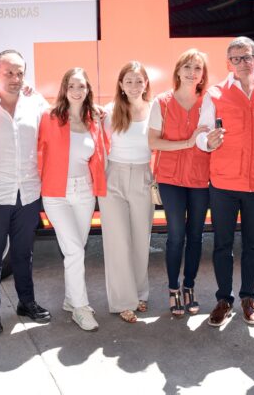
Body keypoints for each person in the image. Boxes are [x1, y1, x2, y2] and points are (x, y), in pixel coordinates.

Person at [196, 37, 254, 327]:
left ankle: (248, 298)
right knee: (222, 244)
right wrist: (206, 141)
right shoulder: (215, 93)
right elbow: (201, 132)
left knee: (253, 245)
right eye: (235, 58)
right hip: (224, 182)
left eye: (247, 57)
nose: (242, 63)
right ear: (228, 64)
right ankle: (223, 299)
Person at [0, 50, 51, 335]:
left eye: (20, 73)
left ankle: (26, 302)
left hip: (29, 194)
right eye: (8, 72)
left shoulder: (35, 103)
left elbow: (62, 118)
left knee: (24, 254)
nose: (15, 78)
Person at [38, 67, 108, 332]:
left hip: (84, 192)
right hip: (56, 193)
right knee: (75, 250)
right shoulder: (49, 117)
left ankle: (70, 299)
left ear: (88, 89)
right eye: (72, 86)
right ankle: (81, 307)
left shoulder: (94, 118)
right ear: (64, 89)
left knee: (75, 249)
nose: (77, 91)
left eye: (82, 86)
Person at [148, 49, 210, 318]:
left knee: (196, 235)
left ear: (202, 75)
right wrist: (186, 142)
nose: (191, 72)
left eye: (197, 68)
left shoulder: (209, 102)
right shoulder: (161, 102)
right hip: (170, 178)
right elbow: (152, 141)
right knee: (176, 235)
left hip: (200, 178)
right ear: (177, 70)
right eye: (186, 66)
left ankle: (189, 287)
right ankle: (173, 288)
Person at [99, 61, 154, 324]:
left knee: (141, 240)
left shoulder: (155, 110)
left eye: (138, 80)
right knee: (118, 242)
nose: (134, 86)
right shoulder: (109, 112)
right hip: (114, 178)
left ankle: (140, 293)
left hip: (143, 176)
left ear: (146, 84)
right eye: (128, 81)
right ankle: (122, 300)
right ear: (120, 84)